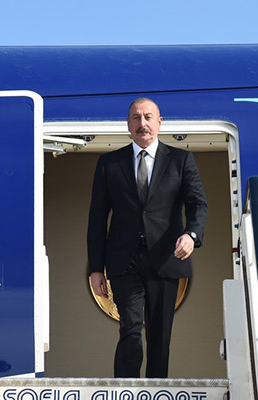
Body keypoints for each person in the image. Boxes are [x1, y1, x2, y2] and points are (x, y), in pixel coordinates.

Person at [87, 98, 207, 378]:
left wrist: (191, 234)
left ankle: (156, 390)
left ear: (159, 122)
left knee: (159, 335)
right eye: (136, 118)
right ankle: (126, 389)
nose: (142, 124)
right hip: (124, 260)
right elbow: (97, 218)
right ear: (128, 125)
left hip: (166, 257)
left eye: (148, 117)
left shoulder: (181, 160)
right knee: (130, 328)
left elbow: (198, 204)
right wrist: (95, 268)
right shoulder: (109, 163)